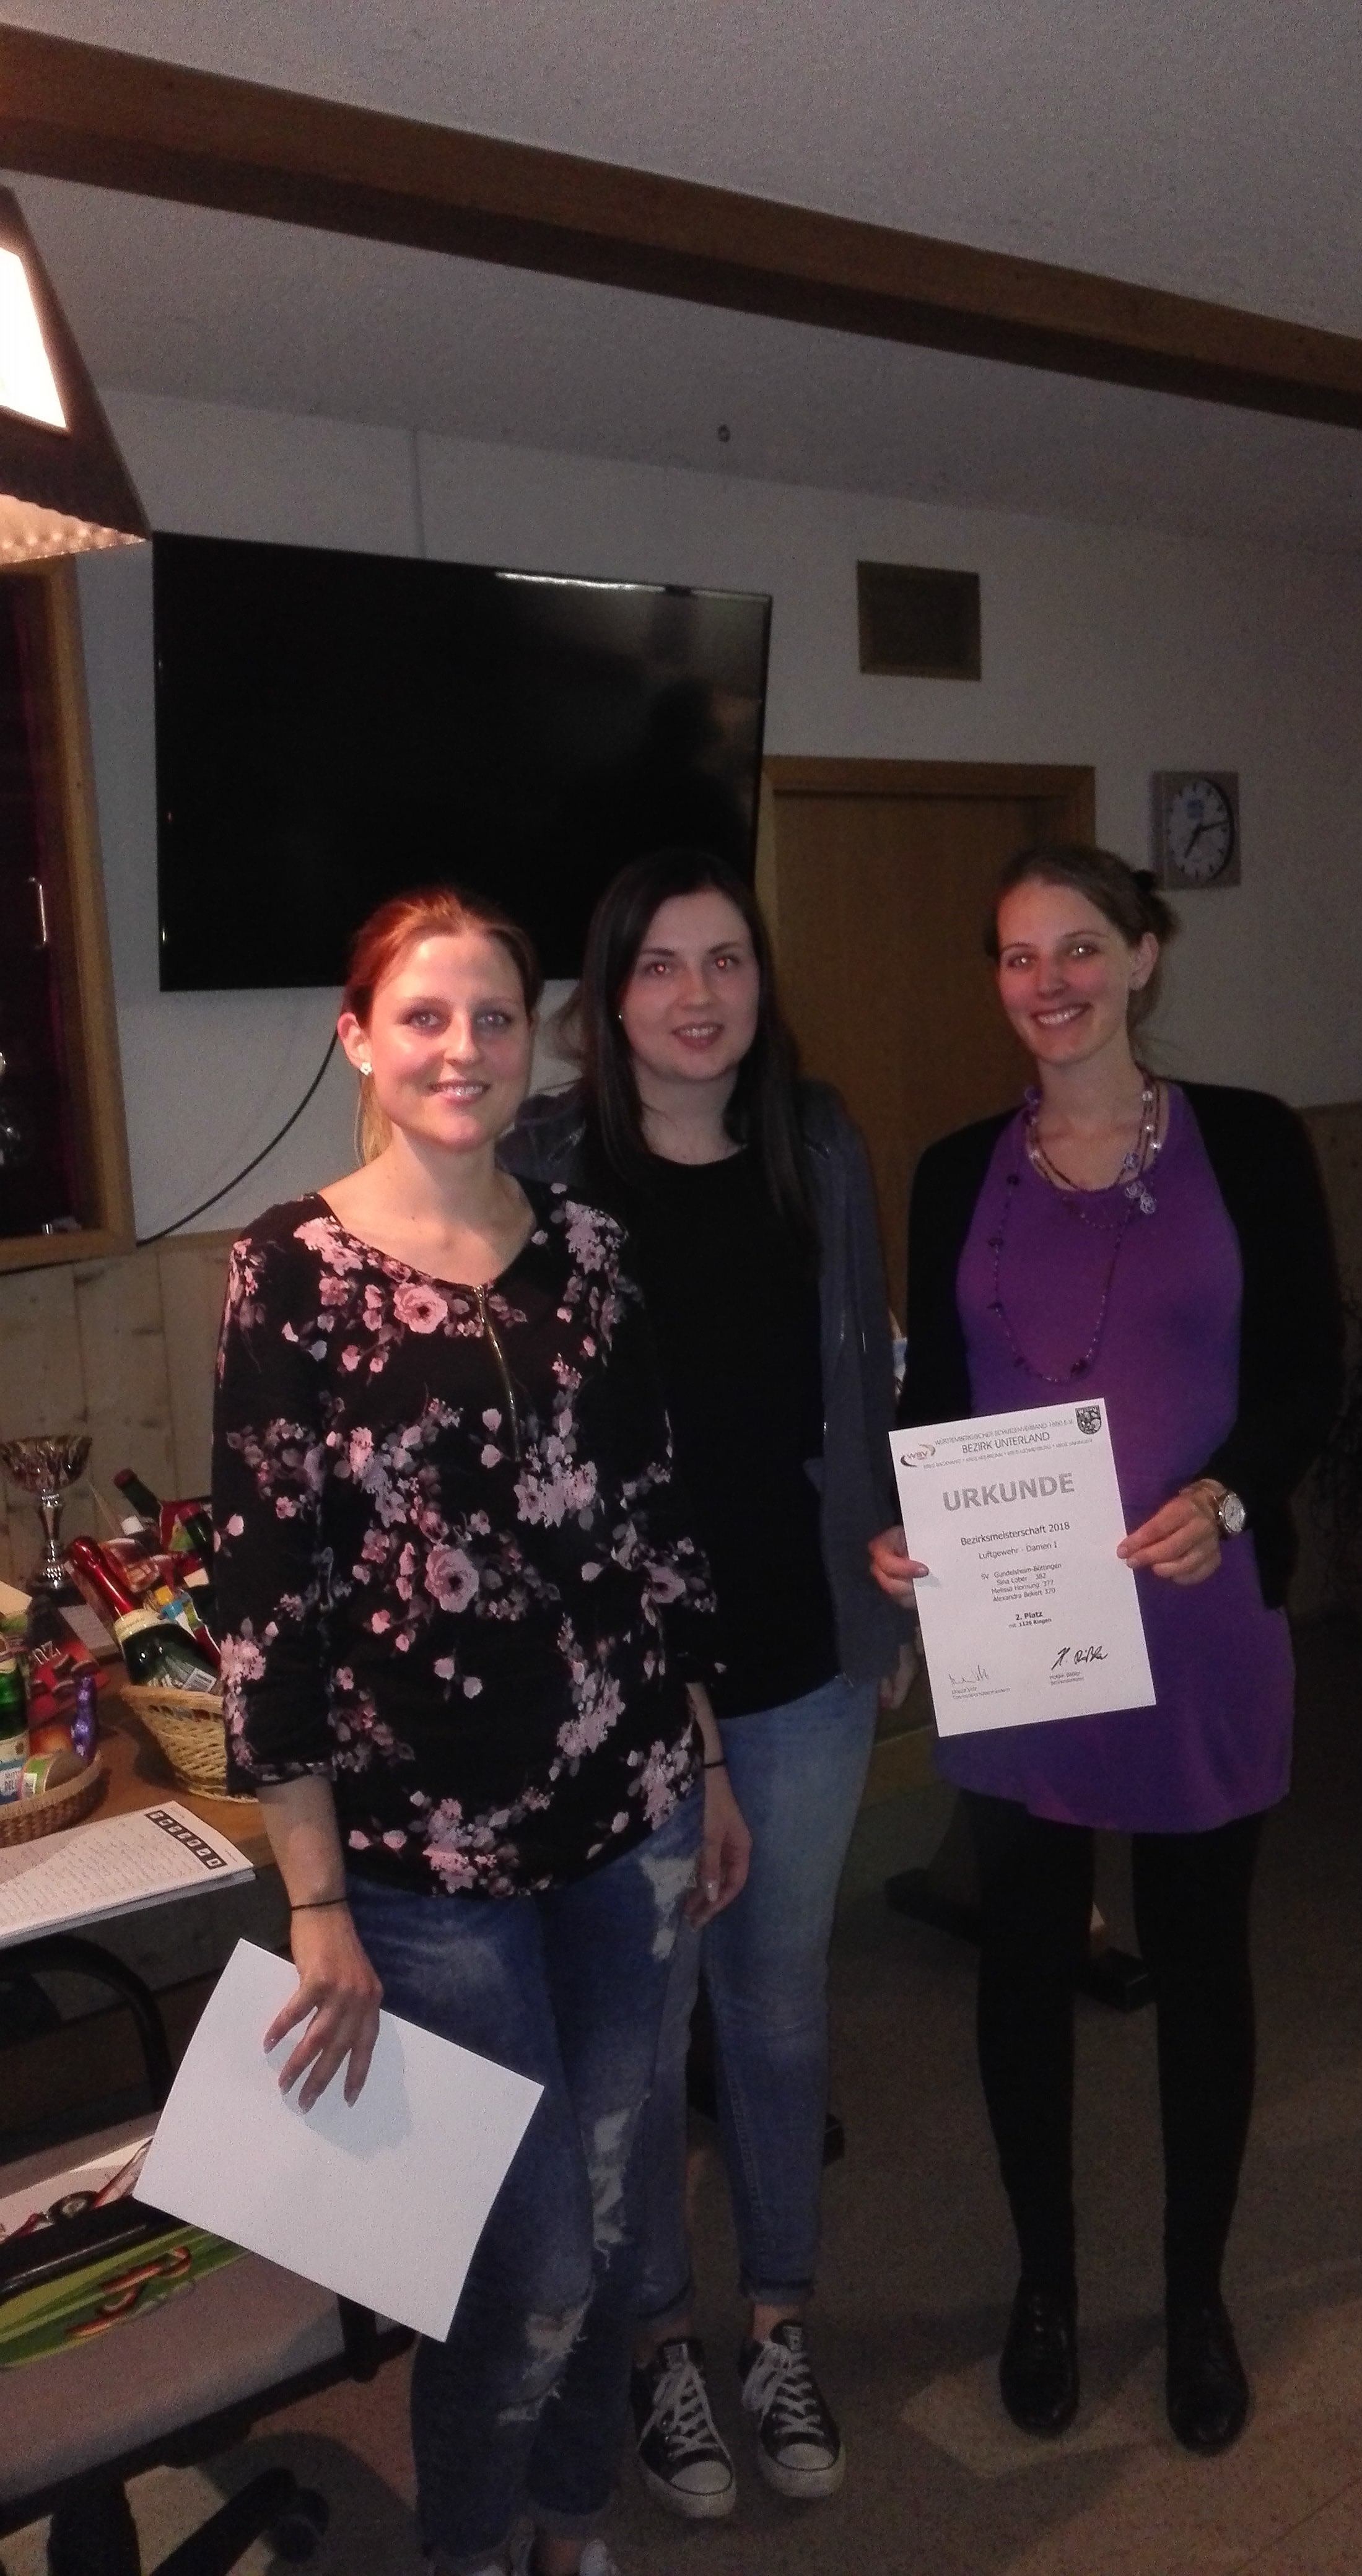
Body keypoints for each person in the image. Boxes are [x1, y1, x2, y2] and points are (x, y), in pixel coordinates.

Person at [212, 884, 749, 2576]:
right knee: (526, 2268)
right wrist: (315, 1901)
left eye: (496, 1017)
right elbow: (265, 1603)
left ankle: (571, 2525)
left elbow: (654, 1528)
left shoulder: (591, 1249)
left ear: (535, 1043)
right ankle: (465, 2548)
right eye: (426, 1016)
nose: (464, 1048)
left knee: (615, 2219)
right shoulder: (289, 1271)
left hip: (631, 1816)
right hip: (424, 1868)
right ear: (359, 1040)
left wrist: (708, 1763)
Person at [871, 844, 1341, 2455]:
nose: (1048, 983)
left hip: (1200, 1622)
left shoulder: (1251, 1143)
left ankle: (1195, 2295)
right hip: (1024, 1638)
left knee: (1203, 1967)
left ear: (1143, 955)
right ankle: (1047, 2287)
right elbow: (937, 1399)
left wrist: (1227, 1491)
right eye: (1017, 956)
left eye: (1080, 947)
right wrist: (905, 1520)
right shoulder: (956, 1171)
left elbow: (1306, 1372)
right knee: (1023, 1965)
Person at [503, 848, 912, 2520]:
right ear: (610, 1001)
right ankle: (661, 2340)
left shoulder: (817, 1143)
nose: (697, 995)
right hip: (624, 1688)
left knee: (779, 2000)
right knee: (644, 2019)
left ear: (760, 981)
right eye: (660, 966)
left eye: (726, 960)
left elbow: (864, 1378)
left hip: (803, 1656)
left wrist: (886, 1591)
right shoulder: (544, 1166)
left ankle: (779, 2324)